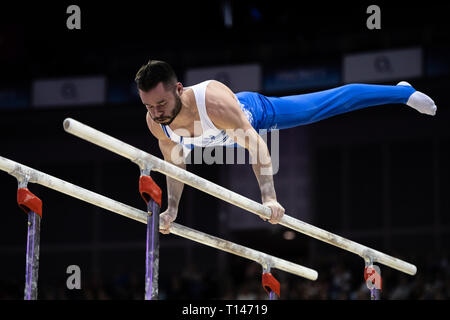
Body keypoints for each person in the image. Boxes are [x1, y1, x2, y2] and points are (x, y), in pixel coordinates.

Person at [135, 60, 437, 234]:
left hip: (256, 113)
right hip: (219, 135)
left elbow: (257, 147)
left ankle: (400, 93)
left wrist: (269, 197)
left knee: (327, 104)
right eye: (149, 105)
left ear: (179, 89)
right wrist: (172, 209)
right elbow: (176, 165)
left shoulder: (213, 103)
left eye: (162, 103)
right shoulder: (155, 122)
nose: (157, 112)